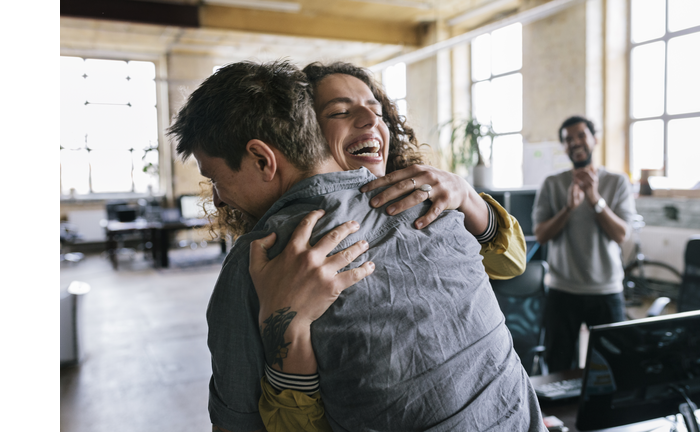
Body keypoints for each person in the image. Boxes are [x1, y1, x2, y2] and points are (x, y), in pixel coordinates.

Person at [168, 60, 545, 432]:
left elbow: (238, 425)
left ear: (263, 157)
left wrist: (466, 195)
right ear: (308, 131)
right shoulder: (432, 209)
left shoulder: (258, 260)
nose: (370, 121)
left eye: (377, 111)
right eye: (341, 112)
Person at [532, 115, 637, 373]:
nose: (575, 142)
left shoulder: (617, 182)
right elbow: (542, 235)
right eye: (568, 139)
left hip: (606, 291)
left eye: (581, 135)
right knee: (557, 368)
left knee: (611, 368)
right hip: (562, 291)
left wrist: (595, 200)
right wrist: (568, 208)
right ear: (564, 147)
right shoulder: (552, 184)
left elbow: (621, 235)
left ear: (594, 139)